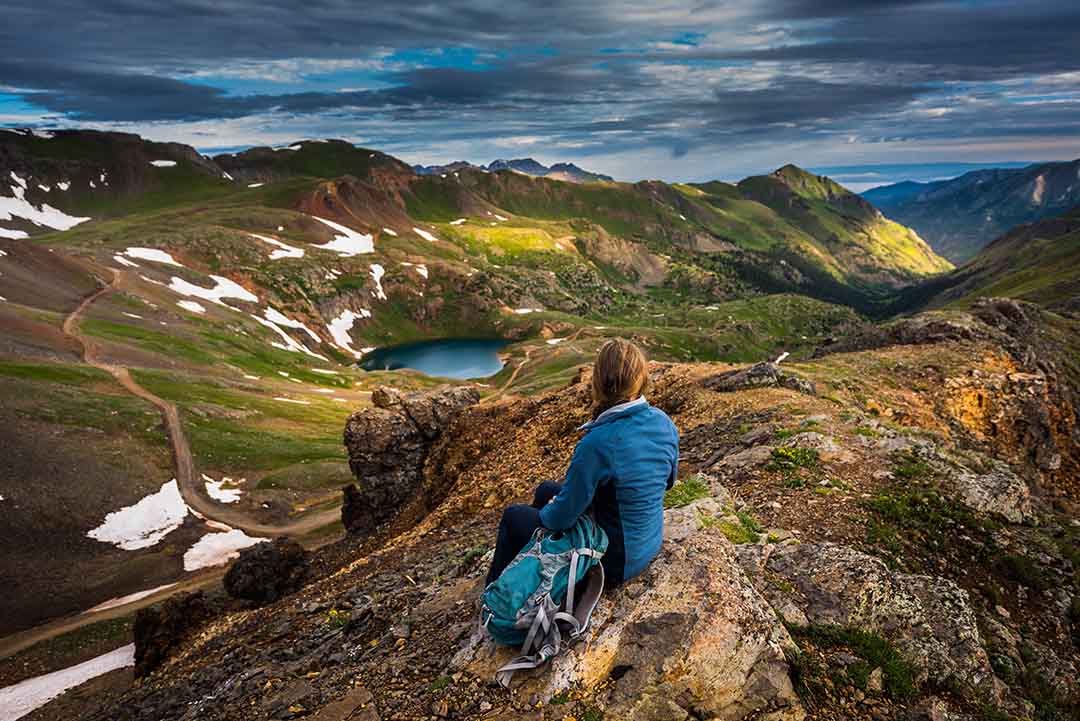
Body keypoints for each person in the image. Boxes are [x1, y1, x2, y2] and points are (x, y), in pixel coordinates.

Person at [485, 338, 680, 588]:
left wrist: (556, 509)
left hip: (615, 562)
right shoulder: (663, 421)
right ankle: (531, 570)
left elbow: (559, 520)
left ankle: (494, 599)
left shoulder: (598, 443)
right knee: (545, 489)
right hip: (647, 543)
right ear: (640, 379)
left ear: (598, 381)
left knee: (514, 517)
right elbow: (668, 482)